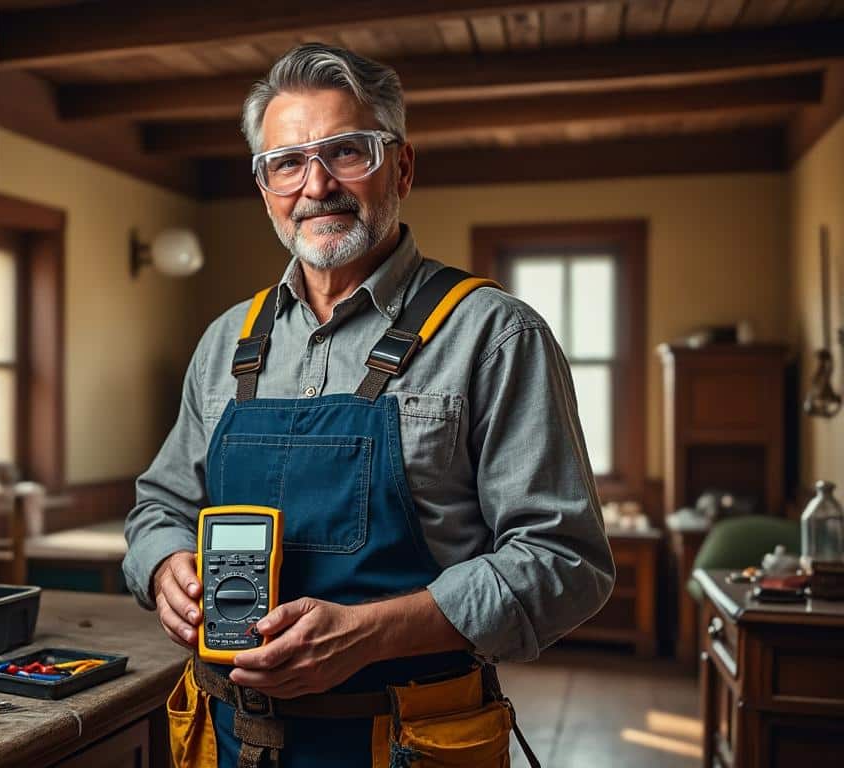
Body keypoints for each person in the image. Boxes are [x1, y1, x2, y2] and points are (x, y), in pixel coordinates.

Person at [122, 43, 614, 768]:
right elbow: (158, 506)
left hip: (410, 744)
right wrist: (163, 565)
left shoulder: (495, 335)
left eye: (346, 151)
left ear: (402, 167)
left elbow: (565, 560)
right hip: (227, 744)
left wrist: (371, 633)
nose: (315, 184)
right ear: (264, 187)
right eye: (285, 163)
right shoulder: (227, 340)